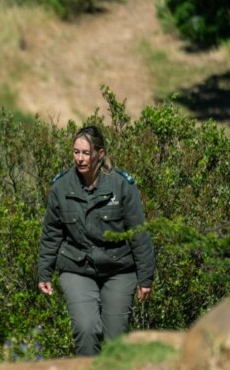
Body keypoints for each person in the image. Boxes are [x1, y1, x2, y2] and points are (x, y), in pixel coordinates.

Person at [37, 125, 154, 356]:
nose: (79, 159)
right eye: (75, 152)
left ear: (100, 154)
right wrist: (44, 273)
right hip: (77, 267)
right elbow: (51, 233)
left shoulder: (121, 185)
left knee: (115, 338)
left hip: (118, 268)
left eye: (86, 153)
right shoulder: (61, 187)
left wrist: (145, 277)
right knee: (86, 329)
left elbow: (138, 233)